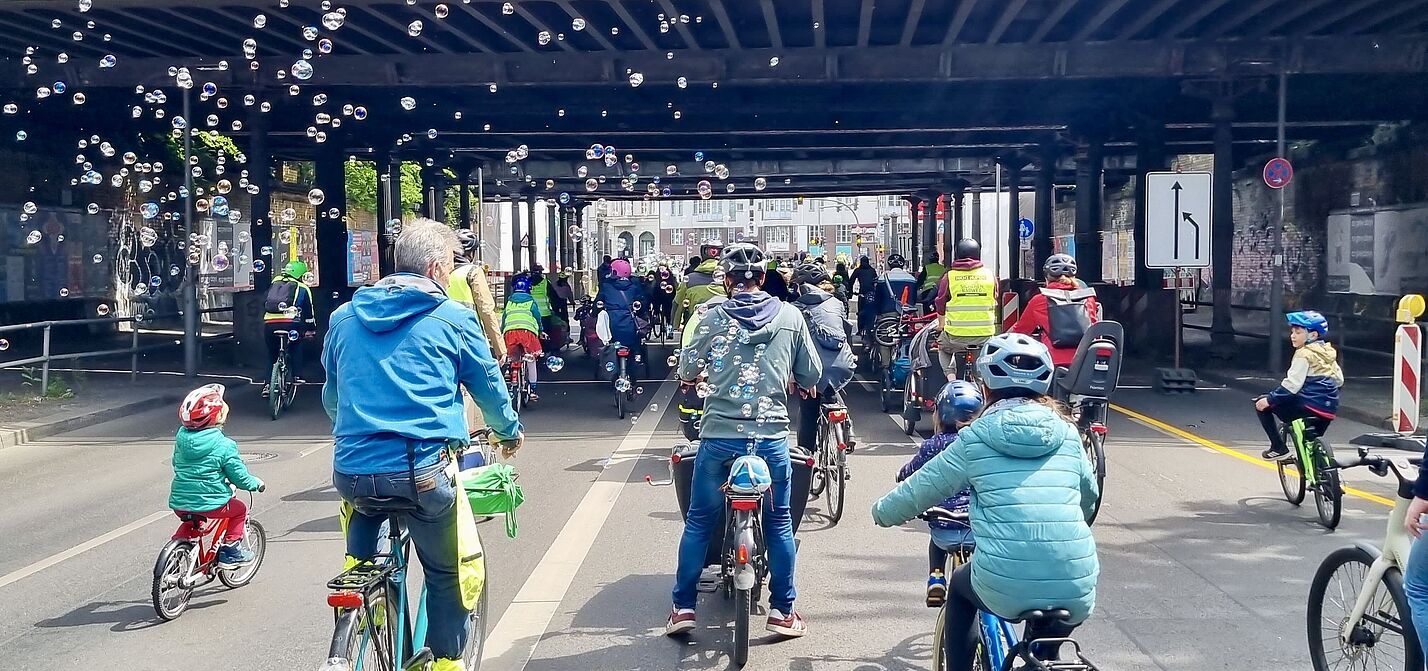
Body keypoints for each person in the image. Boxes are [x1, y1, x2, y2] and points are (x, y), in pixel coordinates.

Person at [322, 219, 522, 671]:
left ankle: (366, 611)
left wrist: (356, 427)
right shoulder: (453, 317)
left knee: (361, 544)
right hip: (422, 472)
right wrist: (509, 431)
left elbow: (332, 398)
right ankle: (445, 663)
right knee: (447, 572)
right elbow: (489, 388)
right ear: (435, 267)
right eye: (450, 265)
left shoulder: (344, 317)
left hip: (351, 470)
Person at [872, 333, 1098, 671]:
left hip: (1003, 582)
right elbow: (1089, 499)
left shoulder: (975, 438)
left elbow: (919, 489)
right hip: (1077, 582)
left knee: (960, 589)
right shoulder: (1068, 434)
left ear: (985, 389)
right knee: (1045, 645)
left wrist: (881, 512)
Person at [668, 243, 822, 639]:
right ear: (763, 277)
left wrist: (691, 377)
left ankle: (683, 608)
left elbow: (687, 365)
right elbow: (811, 372)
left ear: (726, 279)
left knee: (700, 521)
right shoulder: (790, 316)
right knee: (779, 523)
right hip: (770, 437)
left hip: (718, 437)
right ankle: (783, 611)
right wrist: (799, 382)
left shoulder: (710, 317)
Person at [894, 380, 983, 607]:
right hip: (977, 528)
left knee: (935, 541)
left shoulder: (933, 445)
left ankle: (936, 575)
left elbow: (912, 471)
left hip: (944, 528)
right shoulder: (982, 444)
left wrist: (901, 475)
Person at [169, 384, 265, 568]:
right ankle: (230, 550)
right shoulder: (225, 445)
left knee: (192, 521)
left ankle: (175, 553)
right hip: (210, 503)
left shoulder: (180, 439)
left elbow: (176, 464)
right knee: (239, 510)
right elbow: (239, 477)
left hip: (180, 501)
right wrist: (255, 484)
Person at [1255, 311, 1343, 460]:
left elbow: (1292, 386)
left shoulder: (1303, 354)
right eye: (1292, 332)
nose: (1293, 336)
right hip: (1329, 409)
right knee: (1310, 443)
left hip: (1308, 407)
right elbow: (1339, 380)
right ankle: (1322, 475)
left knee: (1261, 404)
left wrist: (1269, 400)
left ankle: (1278, 447)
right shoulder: (1327, 352)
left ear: (1313, 335)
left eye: (1298, 332)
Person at [790, 262, 857, 455]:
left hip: (811, 369)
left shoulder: (794, 309)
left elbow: (793, 345)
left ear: (799, 286)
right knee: (832, 389)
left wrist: (791, 374)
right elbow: (846, 332)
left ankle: (806, 456)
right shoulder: (836, 303)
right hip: (842, 364)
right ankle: (847, 429)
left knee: (808, 410)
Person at [1010, 254, 1099, 367]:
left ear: (1047, 278)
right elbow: (1094, 329)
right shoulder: (1088, 298)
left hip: (1052, 362)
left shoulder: (1040, 299)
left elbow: (1020, 331)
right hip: (1085, 361)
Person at [934, 239, 998, 379]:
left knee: (943, 348)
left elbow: (940, 303)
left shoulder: (949, 277)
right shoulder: (990, 275)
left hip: (955, 337)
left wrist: (941, 325)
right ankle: (980, 384)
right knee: (982, 361)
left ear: (957, 255)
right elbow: (995, 297)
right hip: (984, 336)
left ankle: (951, 379)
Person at [261, 259, 315, 396]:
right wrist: (310, 329)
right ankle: (297, 376)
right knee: (295, 346)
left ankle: (268, 384)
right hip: (291, 323)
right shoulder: (303, 288)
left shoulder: (275, 284)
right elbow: (309, 312)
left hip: (269, 324)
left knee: (272, 354)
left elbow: (264, 302)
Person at [595, 258, 650, 372]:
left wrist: (593, 313)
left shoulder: (606, 286)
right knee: (632, 351)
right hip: (630, 327)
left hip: (612, 327)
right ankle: (632, 379)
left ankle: (613, 373)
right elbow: (643, 305)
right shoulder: (634, 287)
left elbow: (597, 304)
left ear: (614, 272)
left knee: (611, 348)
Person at [502, 273, 545, 402]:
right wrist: (541, 330)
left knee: (512, 356)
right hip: (527, 333)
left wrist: (501, 333)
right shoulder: (530, 302)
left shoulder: (509, 302)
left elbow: (504, 319)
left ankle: (510, 372)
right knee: (531, 360)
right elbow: (537, 317)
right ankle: (533, 388)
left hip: (510, 332)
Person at [672, 255, 725, 328]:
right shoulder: (728, 279)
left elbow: (677, 303)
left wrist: (674, 325)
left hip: (696, 322)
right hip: (722, 323)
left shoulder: (689, 279)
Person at [850, 255, 879, 334]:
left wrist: (850, 292)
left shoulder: (858, 270)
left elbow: (851, 281)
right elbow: (876, 281)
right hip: (871, 294)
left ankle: (860, 330)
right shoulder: (872, 270)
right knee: (871, 312)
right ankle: (871, 328)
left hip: (862, 293)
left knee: (860, 313)